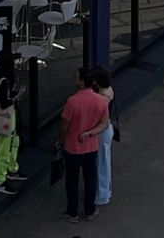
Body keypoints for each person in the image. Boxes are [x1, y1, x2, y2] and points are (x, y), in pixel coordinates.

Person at [58, 67, 107, 222]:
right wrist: (90, 133)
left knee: (72, 179)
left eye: (76, 77)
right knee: (90, 178)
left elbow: (64, 125)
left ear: (81, 81)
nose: (74, 79)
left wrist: (60, 140)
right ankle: (90, 210)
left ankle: (72, 212)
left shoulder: (72, 102)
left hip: (72, 147)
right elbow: (104, 124)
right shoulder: (100, 101)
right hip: (91, 146)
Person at [91, 64, 117, 208]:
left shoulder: (103, 97)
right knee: (103, 162)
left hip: (101, 131)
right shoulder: (107, 91)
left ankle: (102, 195)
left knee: (101, 163)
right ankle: (104, 191)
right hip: (105, 130)